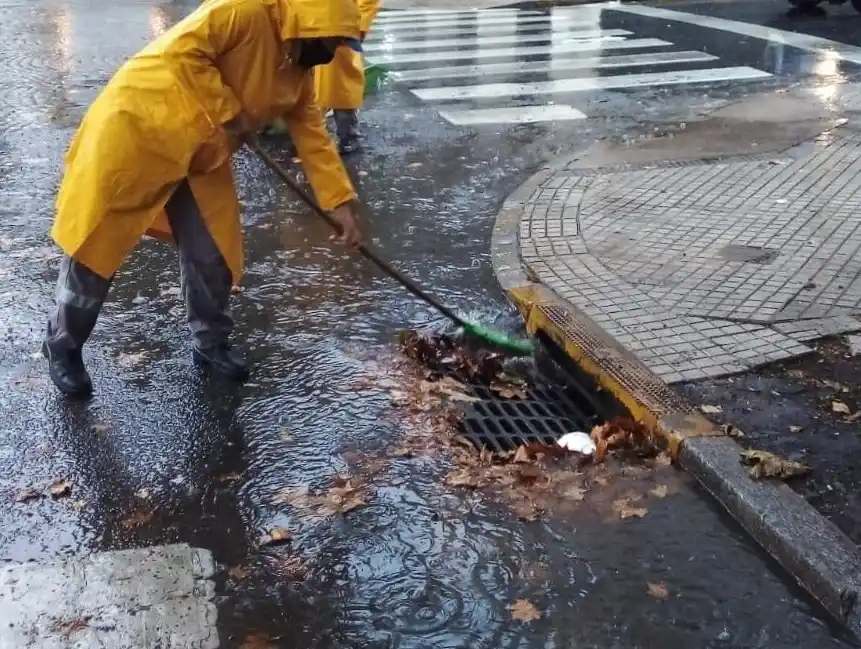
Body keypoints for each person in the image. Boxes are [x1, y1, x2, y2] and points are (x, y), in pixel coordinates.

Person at [43, 0, 365, 398]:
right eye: (331, 38)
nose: (333, 50)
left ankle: (211, 342)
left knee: (212, 250)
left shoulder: (297, 73)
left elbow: (312, 134)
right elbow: (186, 51)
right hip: (139, 129)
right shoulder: (244, 12)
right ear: (309, 21)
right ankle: (63, 345)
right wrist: (229, 111)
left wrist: (339, 203)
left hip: (201, 152)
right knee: (96, 246)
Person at [314, 0, 380, 154]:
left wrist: (357, 28)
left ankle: (348, 135)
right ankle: (316, 134)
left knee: (342, 87)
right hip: (315, 31)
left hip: (341, 32)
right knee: (318, 87)